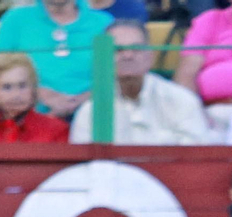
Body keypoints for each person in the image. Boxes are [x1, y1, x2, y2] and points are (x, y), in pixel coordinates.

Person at [70, 21, 210, 145]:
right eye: (118, 50)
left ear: (150, 57)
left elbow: (198, 155)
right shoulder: (90, 111)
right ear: (103, 59)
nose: (128, 55)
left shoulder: (181, 100)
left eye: (136, 49)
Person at [0, 0, 113, 121]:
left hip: (94, 118)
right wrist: (42, 95)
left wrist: (86, 98)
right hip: (28, 118)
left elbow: (118, 72)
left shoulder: (103, 22)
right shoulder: (15, 19)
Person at [0, 54, 70, 143]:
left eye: (22, 86)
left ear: (33, 89)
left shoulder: (57, 129)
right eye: (7, 87)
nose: (16, 95)